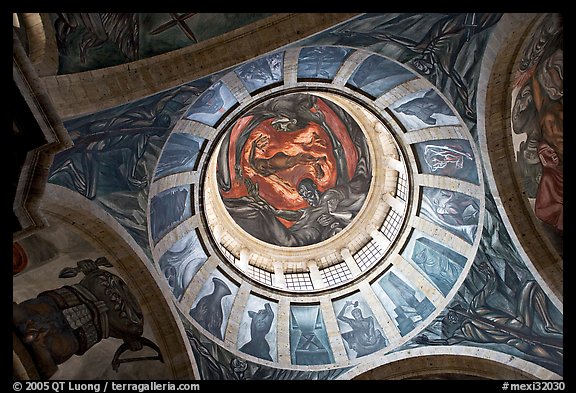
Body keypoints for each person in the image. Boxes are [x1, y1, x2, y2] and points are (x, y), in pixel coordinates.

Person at [414, 261, 563, 364]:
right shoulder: (465, 329)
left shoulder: (471, 314)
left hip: (518, 332)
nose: (453, 317)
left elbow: (490, 285)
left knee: (531, 285)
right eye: (451, 317)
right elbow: (447, 342)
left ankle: (549, 324)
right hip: (517, 332)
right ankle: (548, 324)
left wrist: (489, 273)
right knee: (556, 357)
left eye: (452, 315)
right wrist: (428, 342)